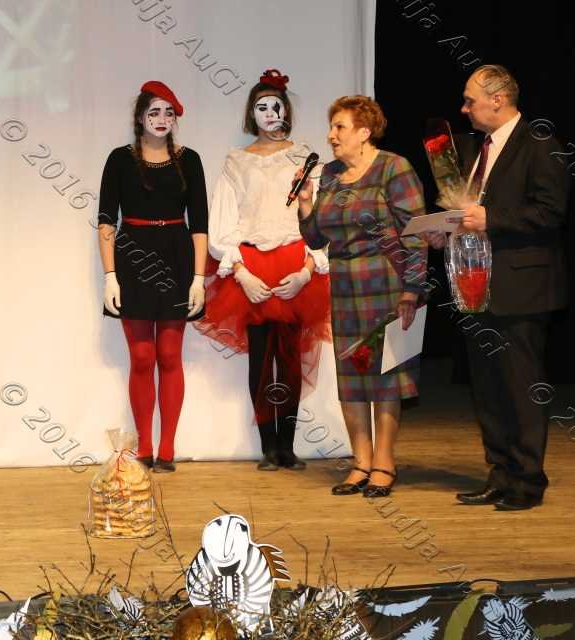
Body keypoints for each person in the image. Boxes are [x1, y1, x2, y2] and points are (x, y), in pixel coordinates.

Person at [426, 64, 568, 511]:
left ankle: (527, 480)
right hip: (476, 284)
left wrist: (492, 219)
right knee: (487, 386)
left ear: (498, 100)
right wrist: (445, 228)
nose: (463, 108)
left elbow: (550, 212)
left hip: (520, 286)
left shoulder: (539, 143)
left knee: (520, 386)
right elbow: (464, 209)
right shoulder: (473, 148)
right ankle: (500, 473)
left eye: (470, 100)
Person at [198, 69, 331, 471]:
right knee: (260, 362)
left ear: (286, 110)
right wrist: (241, 273)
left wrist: (307, 270)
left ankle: (287, 446)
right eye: (262, 107)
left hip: (294, 264)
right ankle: (267, 446)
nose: (270, 113)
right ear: (251, 113)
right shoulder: (237, 162)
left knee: (290, 359)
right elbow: (222, 226)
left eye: (276, 106)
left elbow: (320, 219)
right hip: (252, 266)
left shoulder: (306, 158)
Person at [295, 95, 427, 497]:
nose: (331, 135)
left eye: (340, 127)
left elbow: (417, 232)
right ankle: (360, 463)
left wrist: (412, 289)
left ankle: (384, 464)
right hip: (346, 287)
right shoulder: (331, 174)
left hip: (388, 284)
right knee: (352, 376)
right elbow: (315, 238)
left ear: (364, 132)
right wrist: (305, 204)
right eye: (332, 127)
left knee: (386, 376)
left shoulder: (393, 168)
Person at [97, 80, 208, 472]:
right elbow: (106, 221)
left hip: (177, 258)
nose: (162, 119)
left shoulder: (190, 160)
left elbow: (200, 224)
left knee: (170, 355)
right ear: (140, 117)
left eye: (169, 112)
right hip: (133, 259)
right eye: (154, 111)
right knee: (142, 357)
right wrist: (110, 276)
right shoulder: (119, 159)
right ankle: (143, 446)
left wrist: (199, 278)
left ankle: (167, 449)